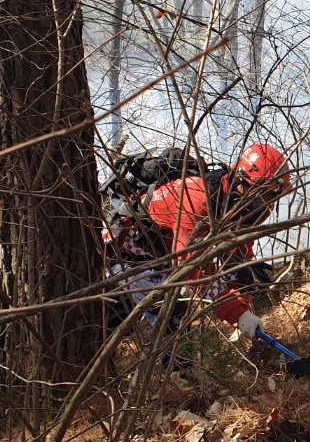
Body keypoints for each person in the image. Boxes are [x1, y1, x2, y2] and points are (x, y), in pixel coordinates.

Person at [105, 143, 289, 348]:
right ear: (240, 179)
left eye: (269, 198)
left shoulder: (234, 209)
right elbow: (191, 267)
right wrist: (235, 312)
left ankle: (176, 375)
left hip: (161, 254)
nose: (262, 204)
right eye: (259, 195)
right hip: (129, 246)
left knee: (174, 308)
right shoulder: (196, 196)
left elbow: (237, 262)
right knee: (165, 313)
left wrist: (243, 306)